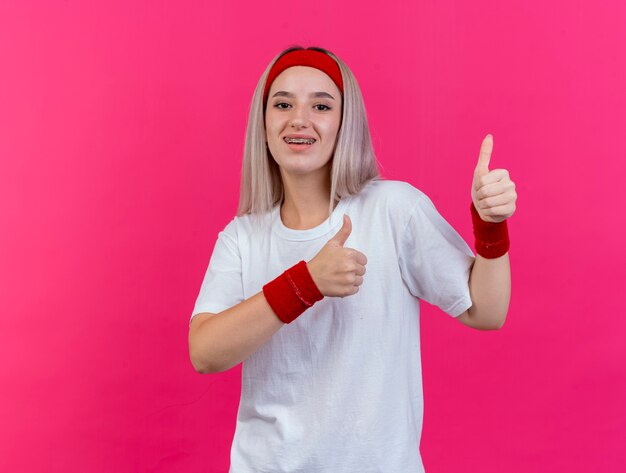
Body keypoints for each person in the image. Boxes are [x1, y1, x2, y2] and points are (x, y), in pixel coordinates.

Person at [188, 46, 516, 473]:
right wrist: (306, 283)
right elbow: (205, 352)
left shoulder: (394, 209)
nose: (299, 118)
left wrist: (489, 227)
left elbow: (485, 311)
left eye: (321, 105)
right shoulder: (242, 237)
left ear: (346, 123)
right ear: (263, 124)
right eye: (282, 103)